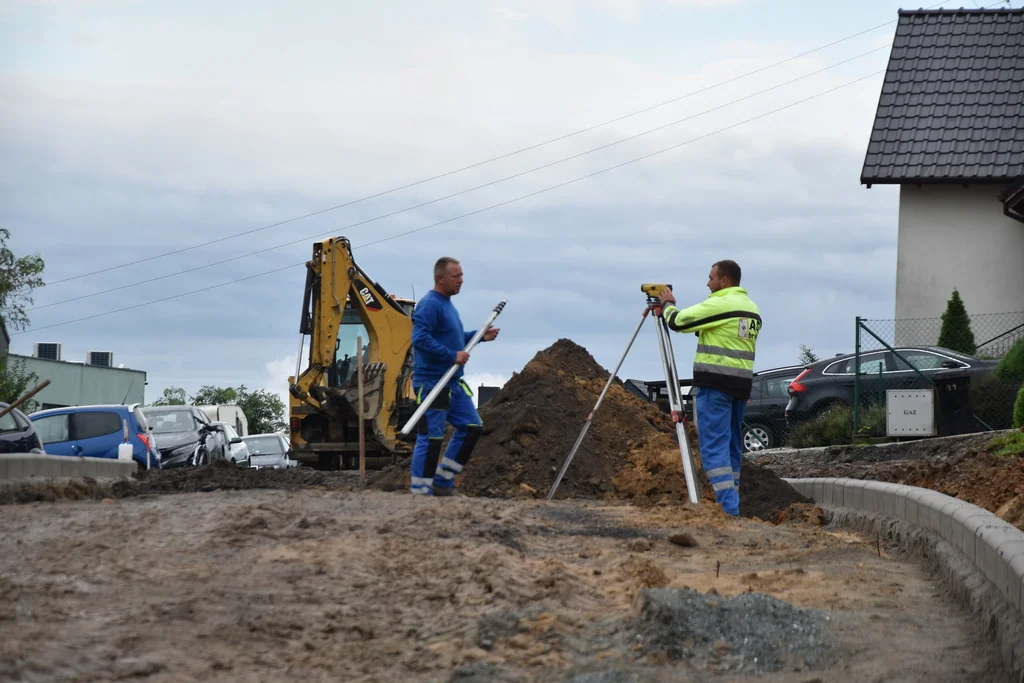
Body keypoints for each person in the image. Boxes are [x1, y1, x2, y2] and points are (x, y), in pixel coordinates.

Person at [658, 260, 760, 516]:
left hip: (715, 387)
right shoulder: (751, 308)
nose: (707, 283)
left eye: (711, 278)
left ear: (724, 280)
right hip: (740, 387)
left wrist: (667, 304)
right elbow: (726, 335)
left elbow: (679, 322)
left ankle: (727, 509)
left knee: (714, 447)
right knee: (732, 447)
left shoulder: (720, 303)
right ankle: (731, 502)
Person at [409, 256, 499, 496]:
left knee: (472, 427)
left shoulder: (448, 305)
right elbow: (420, 339)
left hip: (453, 383)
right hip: (432, 383)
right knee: (431, 437)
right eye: (455, 276)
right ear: (440, 278)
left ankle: (443, 481)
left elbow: (456, 340)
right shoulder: (430, 304)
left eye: (461, 275)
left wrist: (479, 336)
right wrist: (451, 355)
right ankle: (421, 490)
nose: (461, 280)